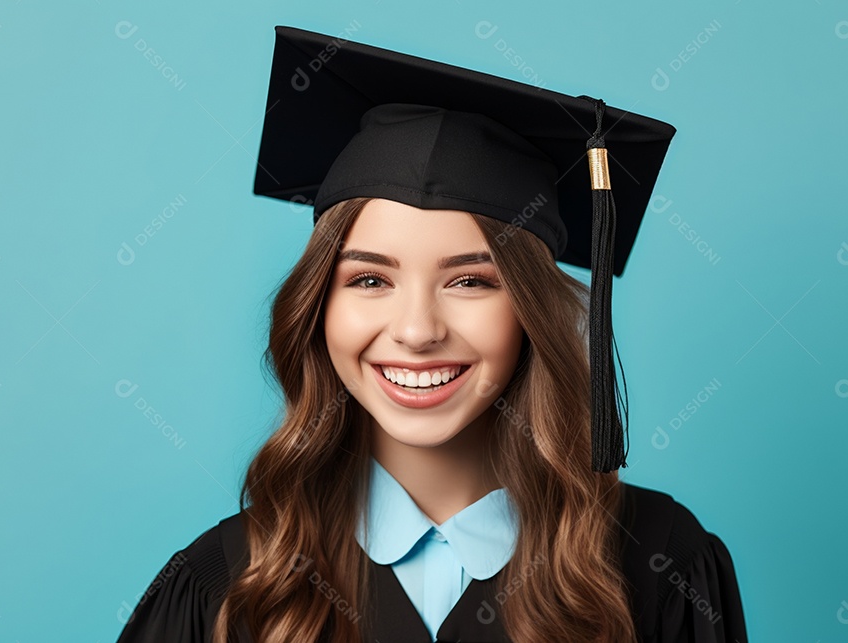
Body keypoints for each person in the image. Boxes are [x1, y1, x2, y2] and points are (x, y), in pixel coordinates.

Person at [115, 26, 747, 643]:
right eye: (368, 280)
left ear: (531, 310)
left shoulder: (657, 564)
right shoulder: (229, 582)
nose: (417, 332)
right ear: (316, 307)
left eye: (471, 281)